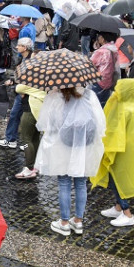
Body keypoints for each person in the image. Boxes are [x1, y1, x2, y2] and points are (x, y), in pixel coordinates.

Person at [35, 85, 106, 235]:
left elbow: (46, 124)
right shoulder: (90, 95)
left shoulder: (56, 96)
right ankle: (78, 222)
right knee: (81, 182)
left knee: (64, 182)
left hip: (62, 145)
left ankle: (64, 223)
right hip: (84, 146)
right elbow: (100, 123)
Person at [92, 79, 134, 227]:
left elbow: (116, 131)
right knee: (117, 178)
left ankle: (127, 213)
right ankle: (118, 207)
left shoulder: (123, 108)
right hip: (129, 149)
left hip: (121, 151)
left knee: (118, 180)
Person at [0, 38, 34, 148]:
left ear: (25, 48)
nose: (17, 47)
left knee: (19, 116)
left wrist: (22, 91)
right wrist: (13, 81)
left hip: (24, 93)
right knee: (18, 116)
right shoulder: (23, 59)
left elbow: (29, 78)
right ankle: (19, 140)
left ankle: (13, 140)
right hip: (22, 92)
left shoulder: (30, 60)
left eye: (19, 45)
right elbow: (20, 75)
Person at [13, 80, 47, 179]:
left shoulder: (34, 77)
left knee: (26, 138)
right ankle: (35, 166)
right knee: (35, 137)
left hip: (30, 110)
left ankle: (29, 168)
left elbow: (19, 88)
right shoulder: (46, 76)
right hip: (40, 109)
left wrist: (24, 91)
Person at [89, 32, 120, 106]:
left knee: (94, 105)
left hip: (99, 81)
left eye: (99, 36)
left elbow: (90, 64)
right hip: (109, 81)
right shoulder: (114, 50)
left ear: (103, 38)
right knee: (104, 104)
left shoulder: (101, 52)